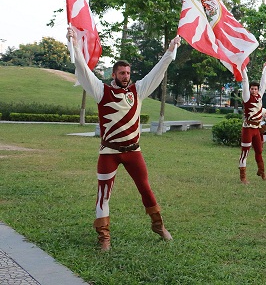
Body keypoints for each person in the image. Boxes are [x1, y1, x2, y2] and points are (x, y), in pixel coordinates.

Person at [66, 26, 180, 251]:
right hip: (108, 152)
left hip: (133, 151)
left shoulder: (138, 91)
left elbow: (157, 72)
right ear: (114, 74)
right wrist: (75, 46)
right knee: (103, 194)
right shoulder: (101, 91)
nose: (125, 76)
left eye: (128, 73)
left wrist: (169, 52)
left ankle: (158, 225)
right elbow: (84, 71)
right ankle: (104, 237)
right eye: (121, 73)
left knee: (145, 188)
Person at [239, 61, 266, 184]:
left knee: (259, 151)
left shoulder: (260, 96)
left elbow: (264, 84)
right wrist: (243, 69)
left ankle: (261, 172)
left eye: (255, 89)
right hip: (247, 128)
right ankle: (243, 176)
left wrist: (265, 69)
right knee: (245, 152)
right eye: (252, 89)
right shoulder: (246, 97)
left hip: (257, 129)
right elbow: (245, 81)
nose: (254, 90)